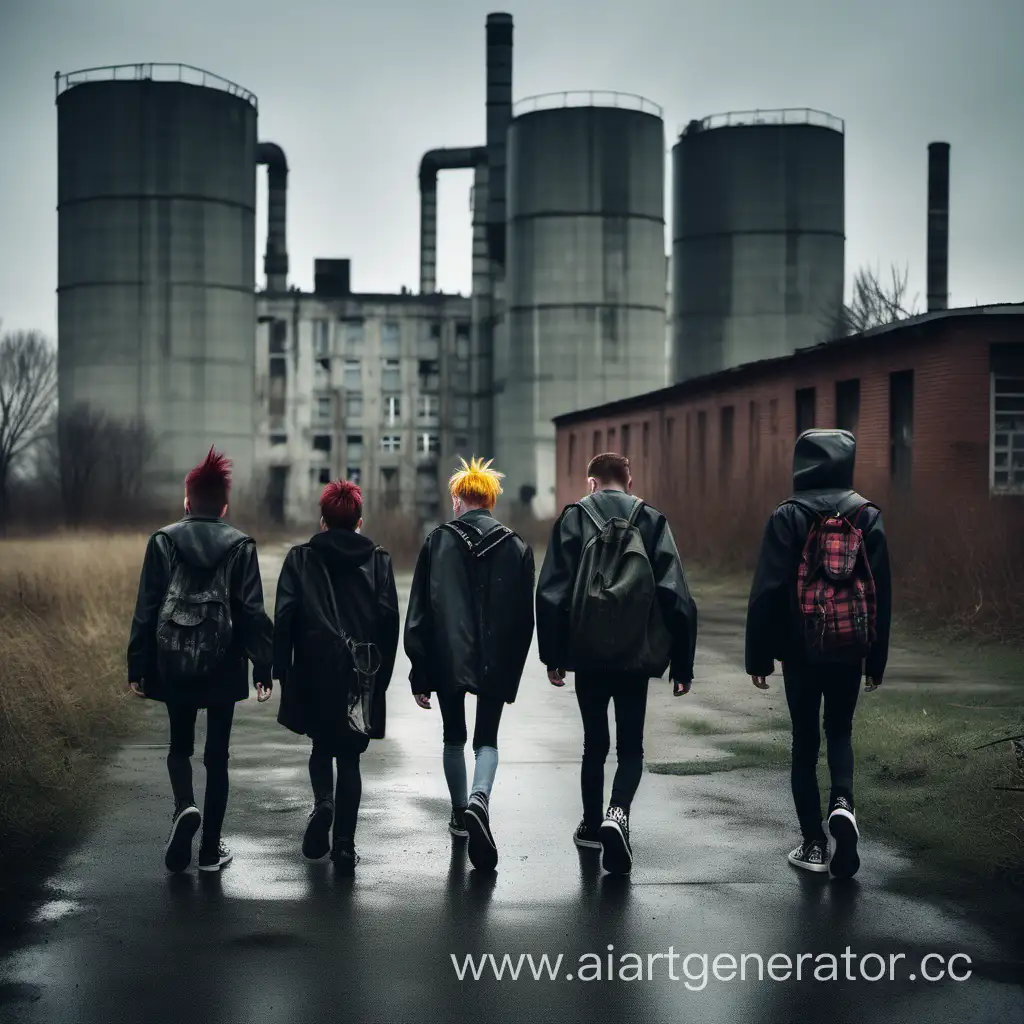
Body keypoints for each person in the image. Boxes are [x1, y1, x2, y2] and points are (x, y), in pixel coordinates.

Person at [536, 452, 698, 875]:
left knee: (594, 743)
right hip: (635, 653)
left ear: (591, 483)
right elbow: (677, 596)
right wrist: (682, 665)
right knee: (631, 746)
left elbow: (550, 591)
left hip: (588, 654)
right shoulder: (651, 520)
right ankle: (618, 814)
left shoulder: (574, 517)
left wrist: (553, 655)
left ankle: (591, 826)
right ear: (629, 481)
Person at [745, 428, 891, 880]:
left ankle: (813, 844)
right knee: (841, 732)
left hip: (799, 650)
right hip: (849, 649)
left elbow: (767, 589)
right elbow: (881, 593)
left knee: (805, 742)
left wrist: (760, 656)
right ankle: (842, 804)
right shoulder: (867, 515)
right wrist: (875, 659)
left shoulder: (787, 515)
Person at [127, 446, 274, 874]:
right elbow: (251, 612)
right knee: (217, 756)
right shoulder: (241, 545)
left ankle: (184, 807)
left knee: (179, 745)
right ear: (224, 506)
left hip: (172, 660)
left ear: (187, 502)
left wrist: (138, 663)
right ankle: (210, 850)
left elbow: (147, 606)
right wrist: (264, 667)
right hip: (224, 663)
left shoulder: (163, 540)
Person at [404, 457, 535, 873]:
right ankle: (481, 798)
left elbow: (420, 611)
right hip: (496, 655)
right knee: (488, 738)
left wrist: (419, 670)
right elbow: (523, 617)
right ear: (490, 501)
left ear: (459, 499)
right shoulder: (516, 546)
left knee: (453, 736)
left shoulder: (438, 541)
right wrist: (513, 666)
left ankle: (461, 814)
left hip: (447, 654)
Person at [272, 480, 399, 873]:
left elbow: (285, 615)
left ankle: (323, 804)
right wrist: (382, 678)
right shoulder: (378, 560)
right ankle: (344, 846)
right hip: (359, 673)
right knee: (350, 759)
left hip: (313, 667)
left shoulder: (301, 558)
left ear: (322, 520)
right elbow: (389, 621)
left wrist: (282, 669)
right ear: (359, 521)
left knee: (320, 747)